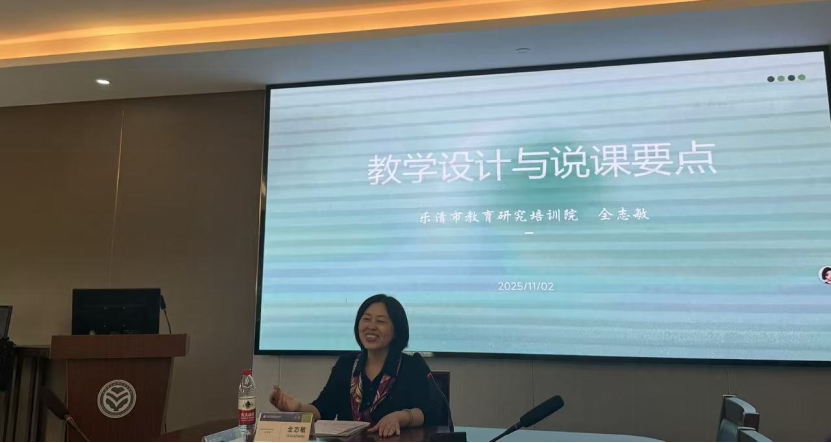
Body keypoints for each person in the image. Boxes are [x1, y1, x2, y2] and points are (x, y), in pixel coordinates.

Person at [270, 294, 438, 438]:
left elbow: (432, 412)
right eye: (366, 319)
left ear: (397, 329)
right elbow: (323, 410)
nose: (371, 326)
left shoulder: (412, 366)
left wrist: (401, 417)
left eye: (380, 321)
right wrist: (297, 408)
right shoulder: (346, 364)